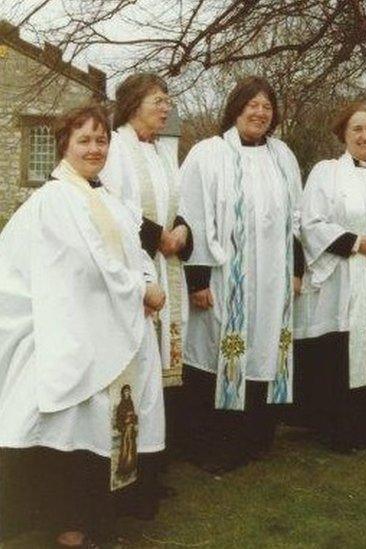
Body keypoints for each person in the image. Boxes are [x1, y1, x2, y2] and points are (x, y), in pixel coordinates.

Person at [0, 104, 166, 546]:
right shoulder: (57, 199)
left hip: (104, 322)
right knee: (72, 429)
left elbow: (133, 252)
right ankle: (67, 525)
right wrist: (141, 290)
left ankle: (97, 517)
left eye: (102, 140)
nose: (95, 148)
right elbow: (89, 266)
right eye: (85, 140)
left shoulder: (106, 197)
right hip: (69, 329)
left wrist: (147, 279)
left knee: (103, 425)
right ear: (64, 146)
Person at [179, 76, 303, 472]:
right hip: (223, 278)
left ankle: (255, 436)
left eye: (267, 106)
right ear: (236, 108)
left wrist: (296, 270)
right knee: (221, 353)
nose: (260, 112)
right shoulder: (208, 153)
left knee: (264, 351)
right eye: (252, 105)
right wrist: (197, 280)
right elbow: (192, 214)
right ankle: (215, 443)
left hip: (271, 280)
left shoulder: (283, 156)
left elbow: (296, 219)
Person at [293, 102, 366, 452]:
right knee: (340, 351)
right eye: (357, 129)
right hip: (343, 276)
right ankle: (336, 430)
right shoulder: (326, 172)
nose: (365, 136)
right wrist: (358, 243)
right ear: (343, 134)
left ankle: (365, 427)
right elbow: (311, 223)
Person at [100, 72, 192, 510]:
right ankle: (130, 475)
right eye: (159, 99)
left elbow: (180, 205)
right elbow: (115, 210)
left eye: (167, 99)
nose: (166, 106)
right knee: (137, 377)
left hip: (166, 266)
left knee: (160, 379)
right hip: (137, 271)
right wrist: (160, 237)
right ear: (135, 101)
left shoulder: (159, 151)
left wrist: (182, 232)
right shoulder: (115, 148)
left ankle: (155, 467)